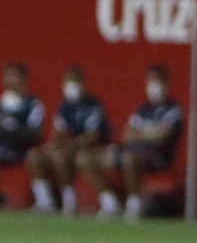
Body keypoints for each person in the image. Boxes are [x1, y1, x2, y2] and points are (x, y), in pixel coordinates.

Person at [81, 64, 182, 220]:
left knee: (129, 159)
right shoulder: (142, 109)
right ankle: (110, 202)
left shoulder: (173, 109)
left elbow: (162, 136)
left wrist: (141, 133)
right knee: (85, 158)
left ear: (166, 82)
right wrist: (151, 131)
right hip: (129, 149)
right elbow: (127, 135)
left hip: (156, 156)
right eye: (150, 81)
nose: (154, 85)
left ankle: (134, 205)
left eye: (157, 80)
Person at [25, 66, 109, 214]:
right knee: (34, 155)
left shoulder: (93, 104)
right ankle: (45, 202)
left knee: (60, 157)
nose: (71, 85)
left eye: (74, 80)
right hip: (69, 147)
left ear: (83, 83)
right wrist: (51, 146)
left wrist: (69, 145)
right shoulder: (65, 106)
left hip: (90, 149)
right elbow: (57, 132)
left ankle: (69, 202)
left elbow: (93, 136)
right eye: (68, 81)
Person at [1, 62, 47, 203]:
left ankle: (44, 201)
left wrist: (14, 128)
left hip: (23, 149)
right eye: (6, 76)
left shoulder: (32, 104)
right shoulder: (2, 103)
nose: (8, 80)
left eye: (13, 76)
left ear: (23, 79)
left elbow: (36, 134)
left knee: (33, 157)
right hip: (3, 148)